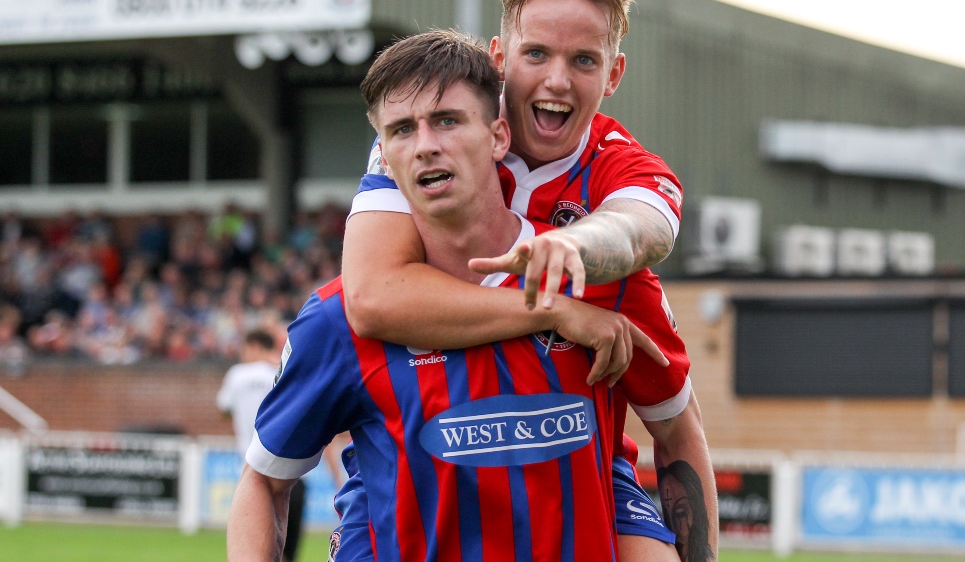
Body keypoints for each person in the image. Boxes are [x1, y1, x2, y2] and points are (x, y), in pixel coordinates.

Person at [227, 30, 691, 561]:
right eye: (402, 130)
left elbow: (679, 431)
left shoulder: (599, 284)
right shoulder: (340, 318)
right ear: (385, 156)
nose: (425, 144)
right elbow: (263, 482)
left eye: (447, 120)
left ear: (498, 137)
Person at [342, 0, 717, 560]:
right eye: (536, 53)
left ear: (614, 74)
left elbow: (641, 230)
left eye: (584, 60)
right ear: (499, 57)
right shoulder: (430, 136)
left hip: (576, 462)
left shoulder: (622, 170)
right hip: (419, 453)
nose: (556, 80)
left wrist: (572, 245)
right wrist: (553, 309)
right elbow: (373, 297)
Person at [218, 329, 305, 562]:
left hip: (252, 472)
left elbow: (224, 409)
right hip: (289, 469)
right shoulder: (280, 372)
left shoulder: (236, 375)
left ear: (254, 346)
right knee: (285, 552)